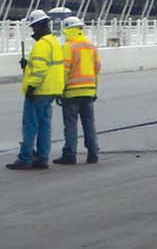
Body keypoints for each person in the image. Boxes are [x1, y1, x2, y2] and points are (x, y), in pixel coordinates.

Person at [7, 9, 66, 170]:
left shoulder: (41, 45)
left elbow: (40, 71)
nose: (33, 31)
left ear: (40, 26)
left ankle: (25, 158)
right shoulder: (53, 42)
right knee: (44, 126)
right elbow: (47, 66)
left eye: (34, 27)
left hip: (39, 91)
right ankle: (42, 158)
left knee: (30, 126)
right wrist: (28, 66)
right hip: (51, 91)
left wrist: (31, 87)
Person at [56, 15, 101, 164]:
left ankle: (70, 154)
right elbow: (96, 71)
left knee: (70, 124)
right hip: (88, 91)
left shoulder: (68, 47)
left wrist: (60, 91)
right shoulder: (91, 46)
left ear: (67, 30)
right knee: (89, 124)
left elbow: (64, 72)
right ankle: (93, 154)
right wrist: (95, 91)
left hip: (71, 92)